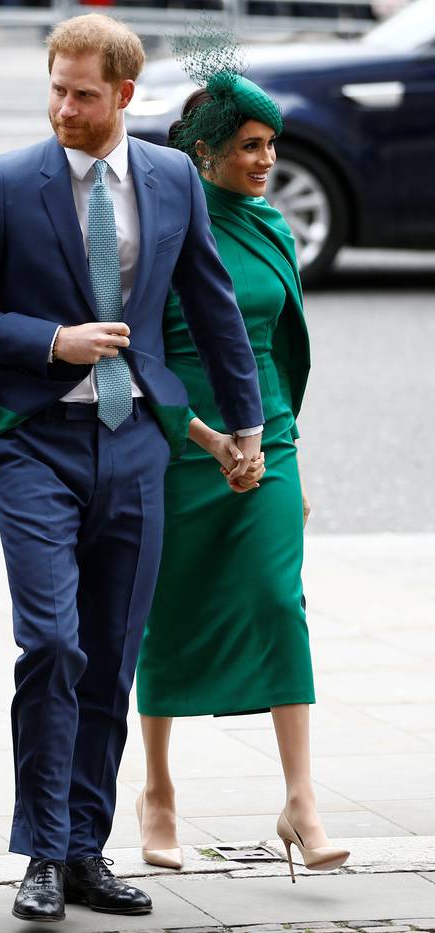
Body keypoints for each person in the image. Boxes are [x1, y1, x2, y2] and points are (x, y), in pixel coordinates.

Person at [0, 14, 265, 924]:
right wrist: (51, 341)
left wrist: (246, 425)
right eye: (55, 88)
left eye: (82, 93)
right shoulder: (5, 183)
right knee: (54, 643)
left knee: (111, 654)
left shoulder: (168, 179)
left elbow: (213, 306)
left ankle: (84, 848)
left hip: (137, 445)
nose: (63, 108)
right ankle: (40, 850)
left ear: (123, 96)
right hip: (34, 439)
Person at [134, 70, 351, 882]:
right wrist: (201, 436)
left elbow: (283, 352)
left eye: (270, 147)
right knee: (166, 609)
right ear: (204, 153)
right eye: (249, 147)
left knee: (275, 600)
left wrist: (287, 459)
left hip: (271, 444)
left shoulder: (271, 227)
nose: (266, 161)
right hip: (179, 438)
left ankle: (301, 800)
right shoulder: (158, 227)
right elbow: (141, 354)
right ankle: (156, 790)